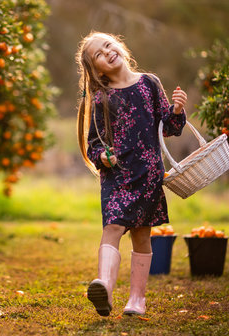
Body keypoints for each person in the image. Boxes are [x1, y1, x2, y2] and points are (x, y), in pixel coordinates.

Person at [75, 31, 188, 317]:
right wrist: (102, 155)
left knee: (141, 236)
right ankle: (104, 285)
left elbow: (169, 128)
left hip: (148, 174)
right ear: (96, 69)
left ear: (120, 47)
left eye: (108, 45)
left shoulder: (149, 83)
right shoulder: (102, 98)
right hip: (117, 177)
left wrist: (176, 110)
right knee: (112, 228)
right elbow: (94, 142)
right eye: (99, 54)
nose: (107, 52)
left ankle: (137, 299)